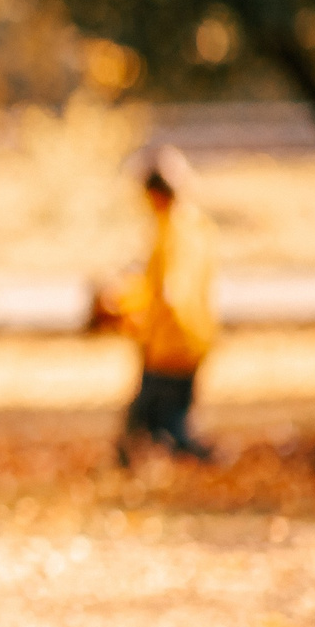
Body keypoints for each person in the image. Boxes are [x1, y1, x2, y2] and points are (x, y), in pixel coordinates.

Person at [102, 145, 218, 464]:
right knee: (158, 417)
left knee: (156, 420)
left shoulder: (173, 230)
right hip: (193, 336)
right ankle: (165, 460)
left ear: (154, 194)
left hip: (170, 342)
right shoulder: (195, 225)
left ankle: (204, 458)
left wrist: (131, 311)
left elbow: (170, 290)